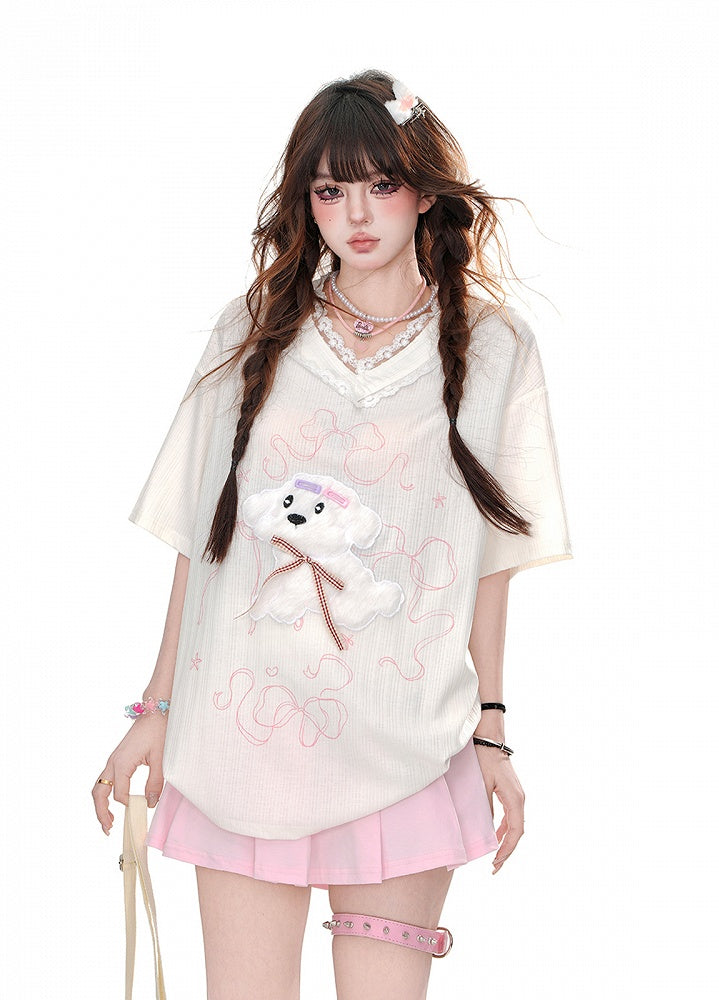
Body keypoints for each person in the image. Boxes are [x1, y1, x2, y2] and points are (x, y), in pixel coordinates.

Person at [93, 69, 573, 1000]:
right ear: (305, 201)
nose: (355, 214)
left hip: (404, 742)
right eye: (329, 189)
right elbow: (203, 537)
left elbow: (491, 560)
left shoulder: (494, 347)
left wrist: (493, 729)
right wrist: (154, 710)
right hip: (243, 743)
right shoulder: (253, 330)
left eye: (381, 184)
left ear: (424, 192)